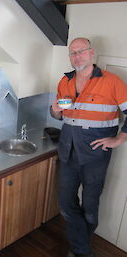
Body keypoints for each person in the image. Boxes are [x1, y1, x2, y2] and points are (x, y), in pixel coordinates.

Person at [50, 37, 127, 257]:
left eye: (81, 51)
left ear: (91, 53)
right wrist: (55, 111)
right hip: (68, 151)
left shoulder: (112, 81)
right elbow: (59, 114)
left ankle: (78, 249)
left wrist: (118, 139)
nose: (77, 56)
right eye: (72, 53)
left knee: (90, 209)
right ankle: (82, 251)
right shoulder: (64, 82)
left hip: (95, 156)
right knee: (66, 205)